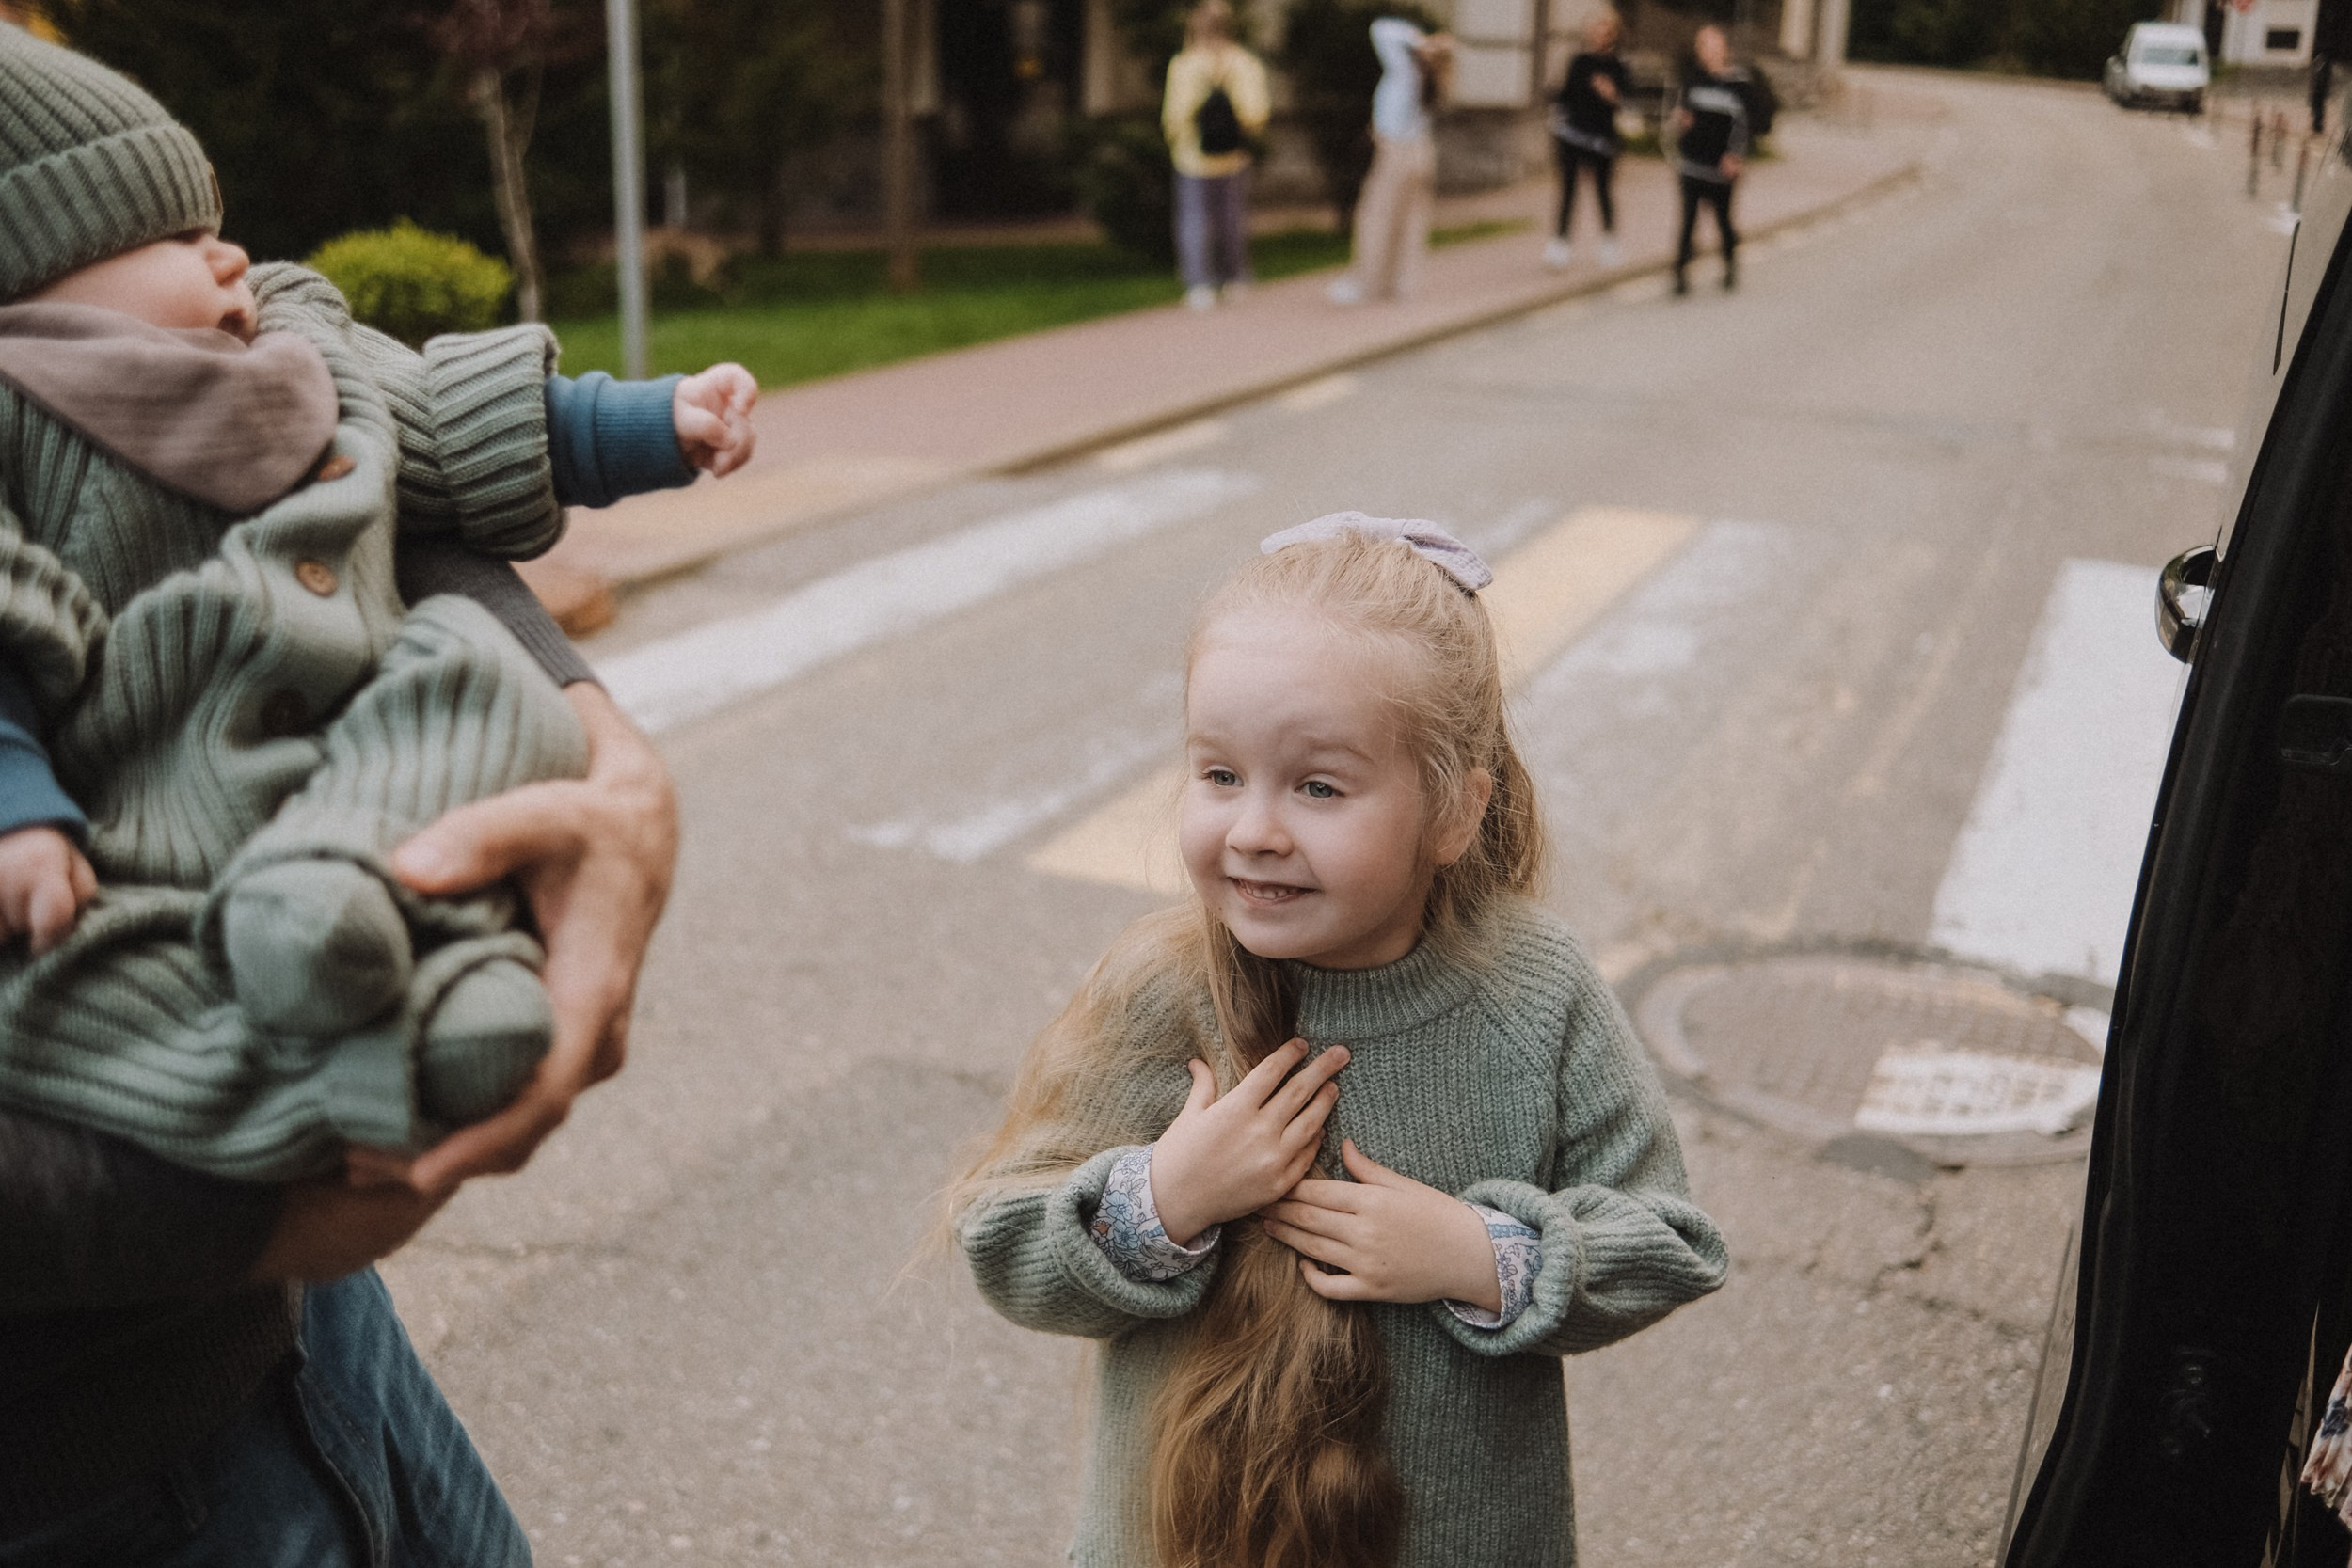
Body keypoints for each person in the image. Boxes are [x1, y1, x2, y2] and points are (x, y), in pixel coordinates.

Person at [0, 22, 690, 1564]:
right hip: (75, 1443)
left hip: (290, 1327)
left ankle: (427, 983)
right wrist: (257, 1206)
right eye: (178, 234)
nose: (229, 257)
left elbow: (358, 411)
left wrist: (598, 745)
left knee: (454, 677)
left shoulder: (185, 317)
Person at [951, 514, 1727, 1567]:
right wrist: (1164, 1197)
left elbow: (1668, 1242)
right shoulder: (1161, 988)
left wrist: (1474, 1255)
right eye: (1219, 774)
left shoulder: (1535, 988)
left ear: (1453, 811)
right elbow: (1002, 1241)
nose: (1255, 827)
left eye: (1317, 785)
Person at [1329, 19, 1454, 305]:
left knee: (1376, 217)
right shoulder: (1434, 78)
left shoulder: (1405, 72)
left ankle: (1366, 283)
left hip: (1395, 152)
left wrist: (1419, 40)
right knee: (1411, 219)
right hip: (1422, 152)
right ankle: (1401, 282)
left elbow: (1380, 29)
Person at [1162, 0, 1271, 311]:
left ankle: (1198, 284)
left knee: (1194, 220)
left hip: (1191, 156)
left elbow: (1175, 115)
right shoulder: (1244, 64)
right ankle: (1235, 277)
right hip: (1233, 155)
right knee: (1232, 219)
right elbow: (1256, 112)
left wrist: (1181, 137)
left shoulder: (1185, 65)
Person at [1670, 24, 1753, 296]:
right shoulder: (1693, 80)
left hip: (1721, 166)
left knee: (1723, 220)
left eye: (1713, 46)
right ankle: (1680, 273)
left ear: (1724, 50)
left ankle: (1729, 262)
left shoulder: (1738, 84)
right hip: (1692, 161)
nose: (1708, 52)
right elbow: (1681, 113)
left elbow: (1743, 124)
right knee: (1688, 220)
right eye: (1703, 46)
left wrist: (1735, 156)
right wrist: (1680, 121)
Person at [1545, 10, 1630, 270]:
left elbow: (1626, 101)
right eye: (1594, 29)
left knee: (1603, 192)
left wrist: (1612, 94)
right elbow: (1565, 95)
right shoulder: (1579, 62)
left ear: (1612, 34)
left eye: (1604, 30)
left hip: (1602, 139)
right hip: (1573, 136)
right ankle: (1560, 244)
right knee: (1568, 192)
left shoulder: (1618, 66)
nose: (1598, 35)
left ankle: (1609, 242)